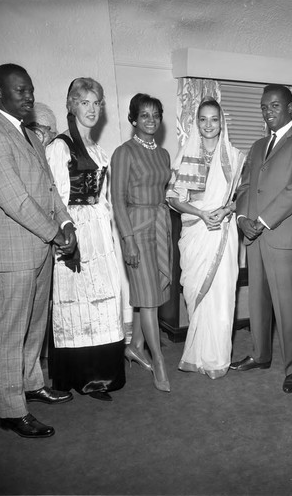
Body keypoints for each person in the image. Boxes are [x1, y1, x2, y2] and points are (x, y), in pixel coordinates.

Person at [0, 63, 77, 439]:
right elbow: (14, 199)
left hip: (40, 246)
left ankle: (32, 384)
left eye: (30, 90)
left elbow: (48, 189)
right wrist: (55, 233)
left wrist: (65, 223)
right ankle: (12, 411)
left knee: (35, 325)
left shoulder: (29, 135)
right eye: (20, 91)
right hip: (12, 252)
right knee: (10, 333)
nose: (28, 97)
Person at [230, 84, 292, 394]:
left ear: (291, 107)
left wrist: (262, 221)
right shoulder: (256, 147)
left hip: (279, 234)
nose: (268, 111)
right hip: (253, 235)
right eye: (264, 107)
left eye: (275, 106)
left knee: (288, 305)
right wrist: (242, 219)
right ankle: (260, 354)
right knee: (257, 301)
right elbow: (243, 189)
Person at [46, 78, 126, 402]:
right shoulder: (60, 147)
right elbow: (56, 200)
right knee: (77, 301)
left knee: (105, 296)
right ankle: (80, 376)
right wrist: (68, 239)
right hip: (74, 230)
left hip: (98, 230)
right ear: (72, 105)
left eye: (96, 103)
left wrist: (105, 230)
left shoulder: (97, 150)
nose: (91, 109)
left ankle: (100, 376)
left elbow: (103, 198)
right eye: (84, 103)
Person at [167, 97, 245, 379]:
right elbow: (173, 199)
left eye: (214, 119)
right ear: (196, 122)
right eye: (203, 119)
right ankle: (197, 352)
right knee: (194, 292)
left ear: (221, 122)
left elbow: (243, 197)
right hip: (196, 232)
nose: (209, 125)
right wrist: (201, 214)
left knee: (222, 293)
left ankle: (216, 358)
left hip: (223, 230)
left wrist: (223, 210)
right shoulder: (186, 155)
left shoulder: (235, 158)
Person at [111, 93, 172, 393]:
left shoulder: (163, 155)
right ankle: (159, 362)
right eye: (144, 115)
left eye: (155, 114)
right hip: (136, 227)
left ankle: (135, 346)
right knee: (148, 299)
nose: (151, 120)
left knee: (155, 292)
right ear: (133, 119)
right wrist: (128, 241)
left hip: (160, 226)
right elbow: (117, 202)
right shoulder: (124, 153)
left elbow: (163, 192)